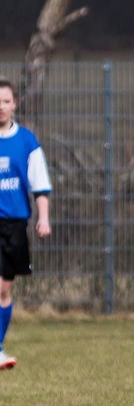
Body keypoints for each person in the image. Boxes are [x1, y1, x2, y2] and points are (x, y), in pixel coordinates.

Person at [0, 79, 52, 370]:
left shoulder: (27, 142)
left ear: (14, 104)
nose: (1, 107)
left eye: (5, 101)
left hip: (15, 226)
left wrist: (43, 218)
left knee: (4, 290)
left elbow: (40, 186)